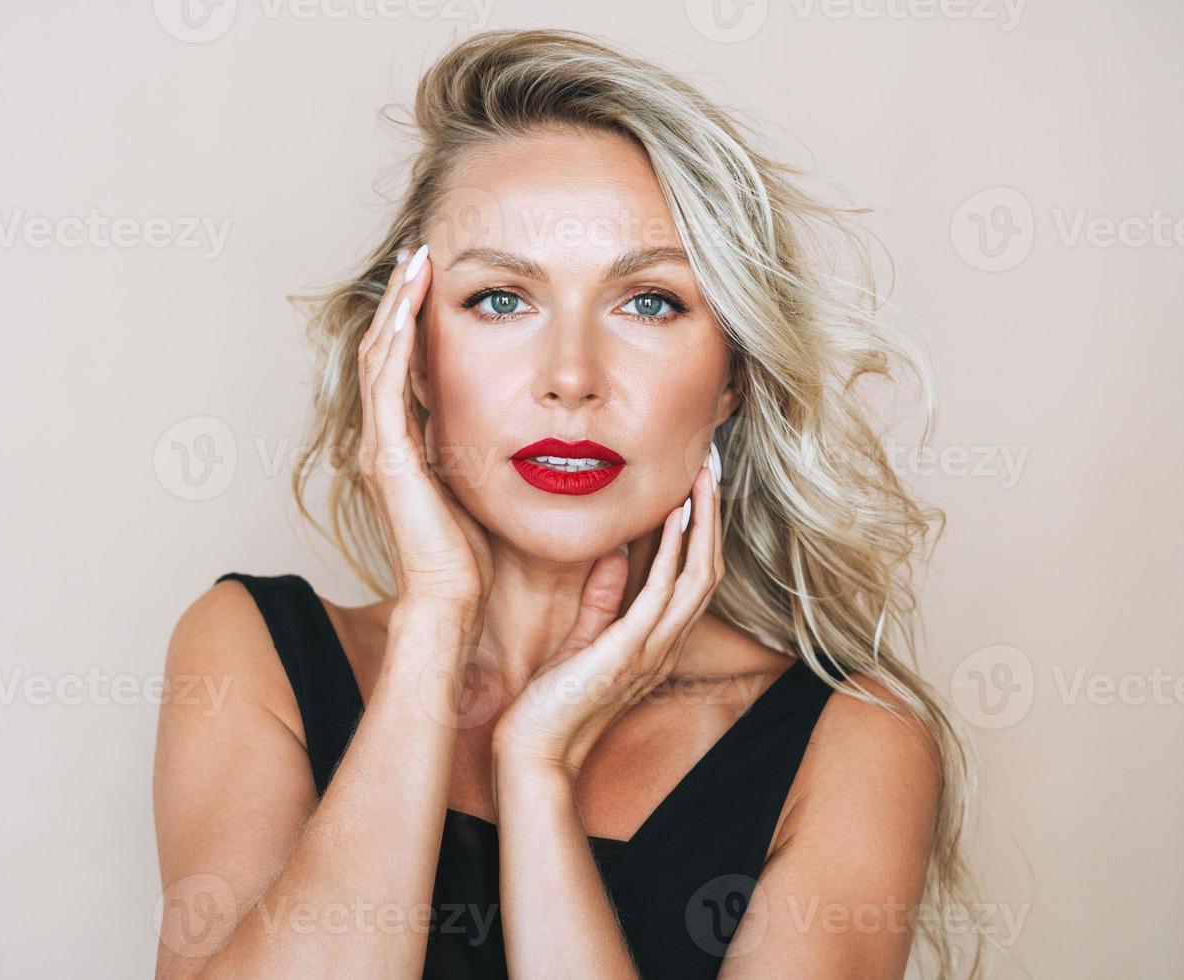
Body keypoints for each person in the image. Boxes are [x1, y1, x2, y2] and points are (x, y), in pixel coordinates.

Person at [153, 28, 980, 980]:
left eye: (651, 303)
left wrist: (536, 774)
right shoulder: (250, 652)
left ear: (732, 378)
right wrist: (433, 614)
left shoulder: (852, 741)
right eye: (502, 300)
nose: (572, 379)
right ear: (410, 357)